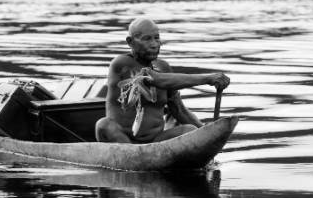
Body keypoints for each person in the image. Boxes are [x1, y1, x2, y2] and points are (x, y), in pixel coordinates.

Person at [95, 17, 230, 143]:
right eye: (147, 39)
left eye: (157, 38)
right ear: (130, 42)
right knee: (104, 125)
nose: (154, 44)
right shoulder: (121, 64)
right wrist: (207, 78)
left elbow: (178, 110)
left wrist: (208, 132)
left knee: (190, 130)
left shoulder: (163, 67)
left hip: (156, 142)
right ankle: (131, 158)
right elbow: (155, 79)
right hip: (122, 141)